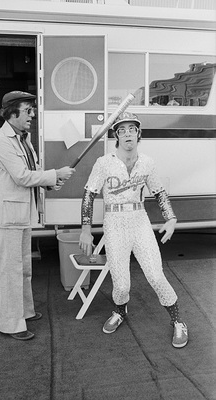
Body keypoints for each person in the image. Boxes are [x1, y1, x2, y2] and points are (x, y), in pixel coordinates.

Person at [79, 111, 188, 348]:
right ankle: (120, 311)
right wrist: (86, 228)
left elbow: (159, 191)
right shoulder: (104, 163)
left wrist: (170, 217)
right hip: (114, 223)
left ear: (139, 133)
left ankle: (178, 321)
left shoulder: (147, 162)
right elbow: (89, 194)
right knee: (121, 285)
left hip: (139, 221)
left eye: (132, 129)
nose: (127, 133)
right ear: (116, 135)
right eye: (122, 129)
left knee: (156, 275)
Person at [0, 91, 75, 341]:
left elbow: (32, 171)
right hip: (9, 217)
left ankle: (24, 312)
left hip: (22, 215)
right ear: (11, 112)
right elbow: (21, 177)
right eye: (28, 111)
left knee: (24, 268)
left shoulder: (22, 138)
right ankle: (12, 324)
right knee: (11, 272)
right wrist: (55, 173)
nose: (32, 115)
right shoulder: (2, 141)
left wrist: (51, 182)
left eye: (32, 111)